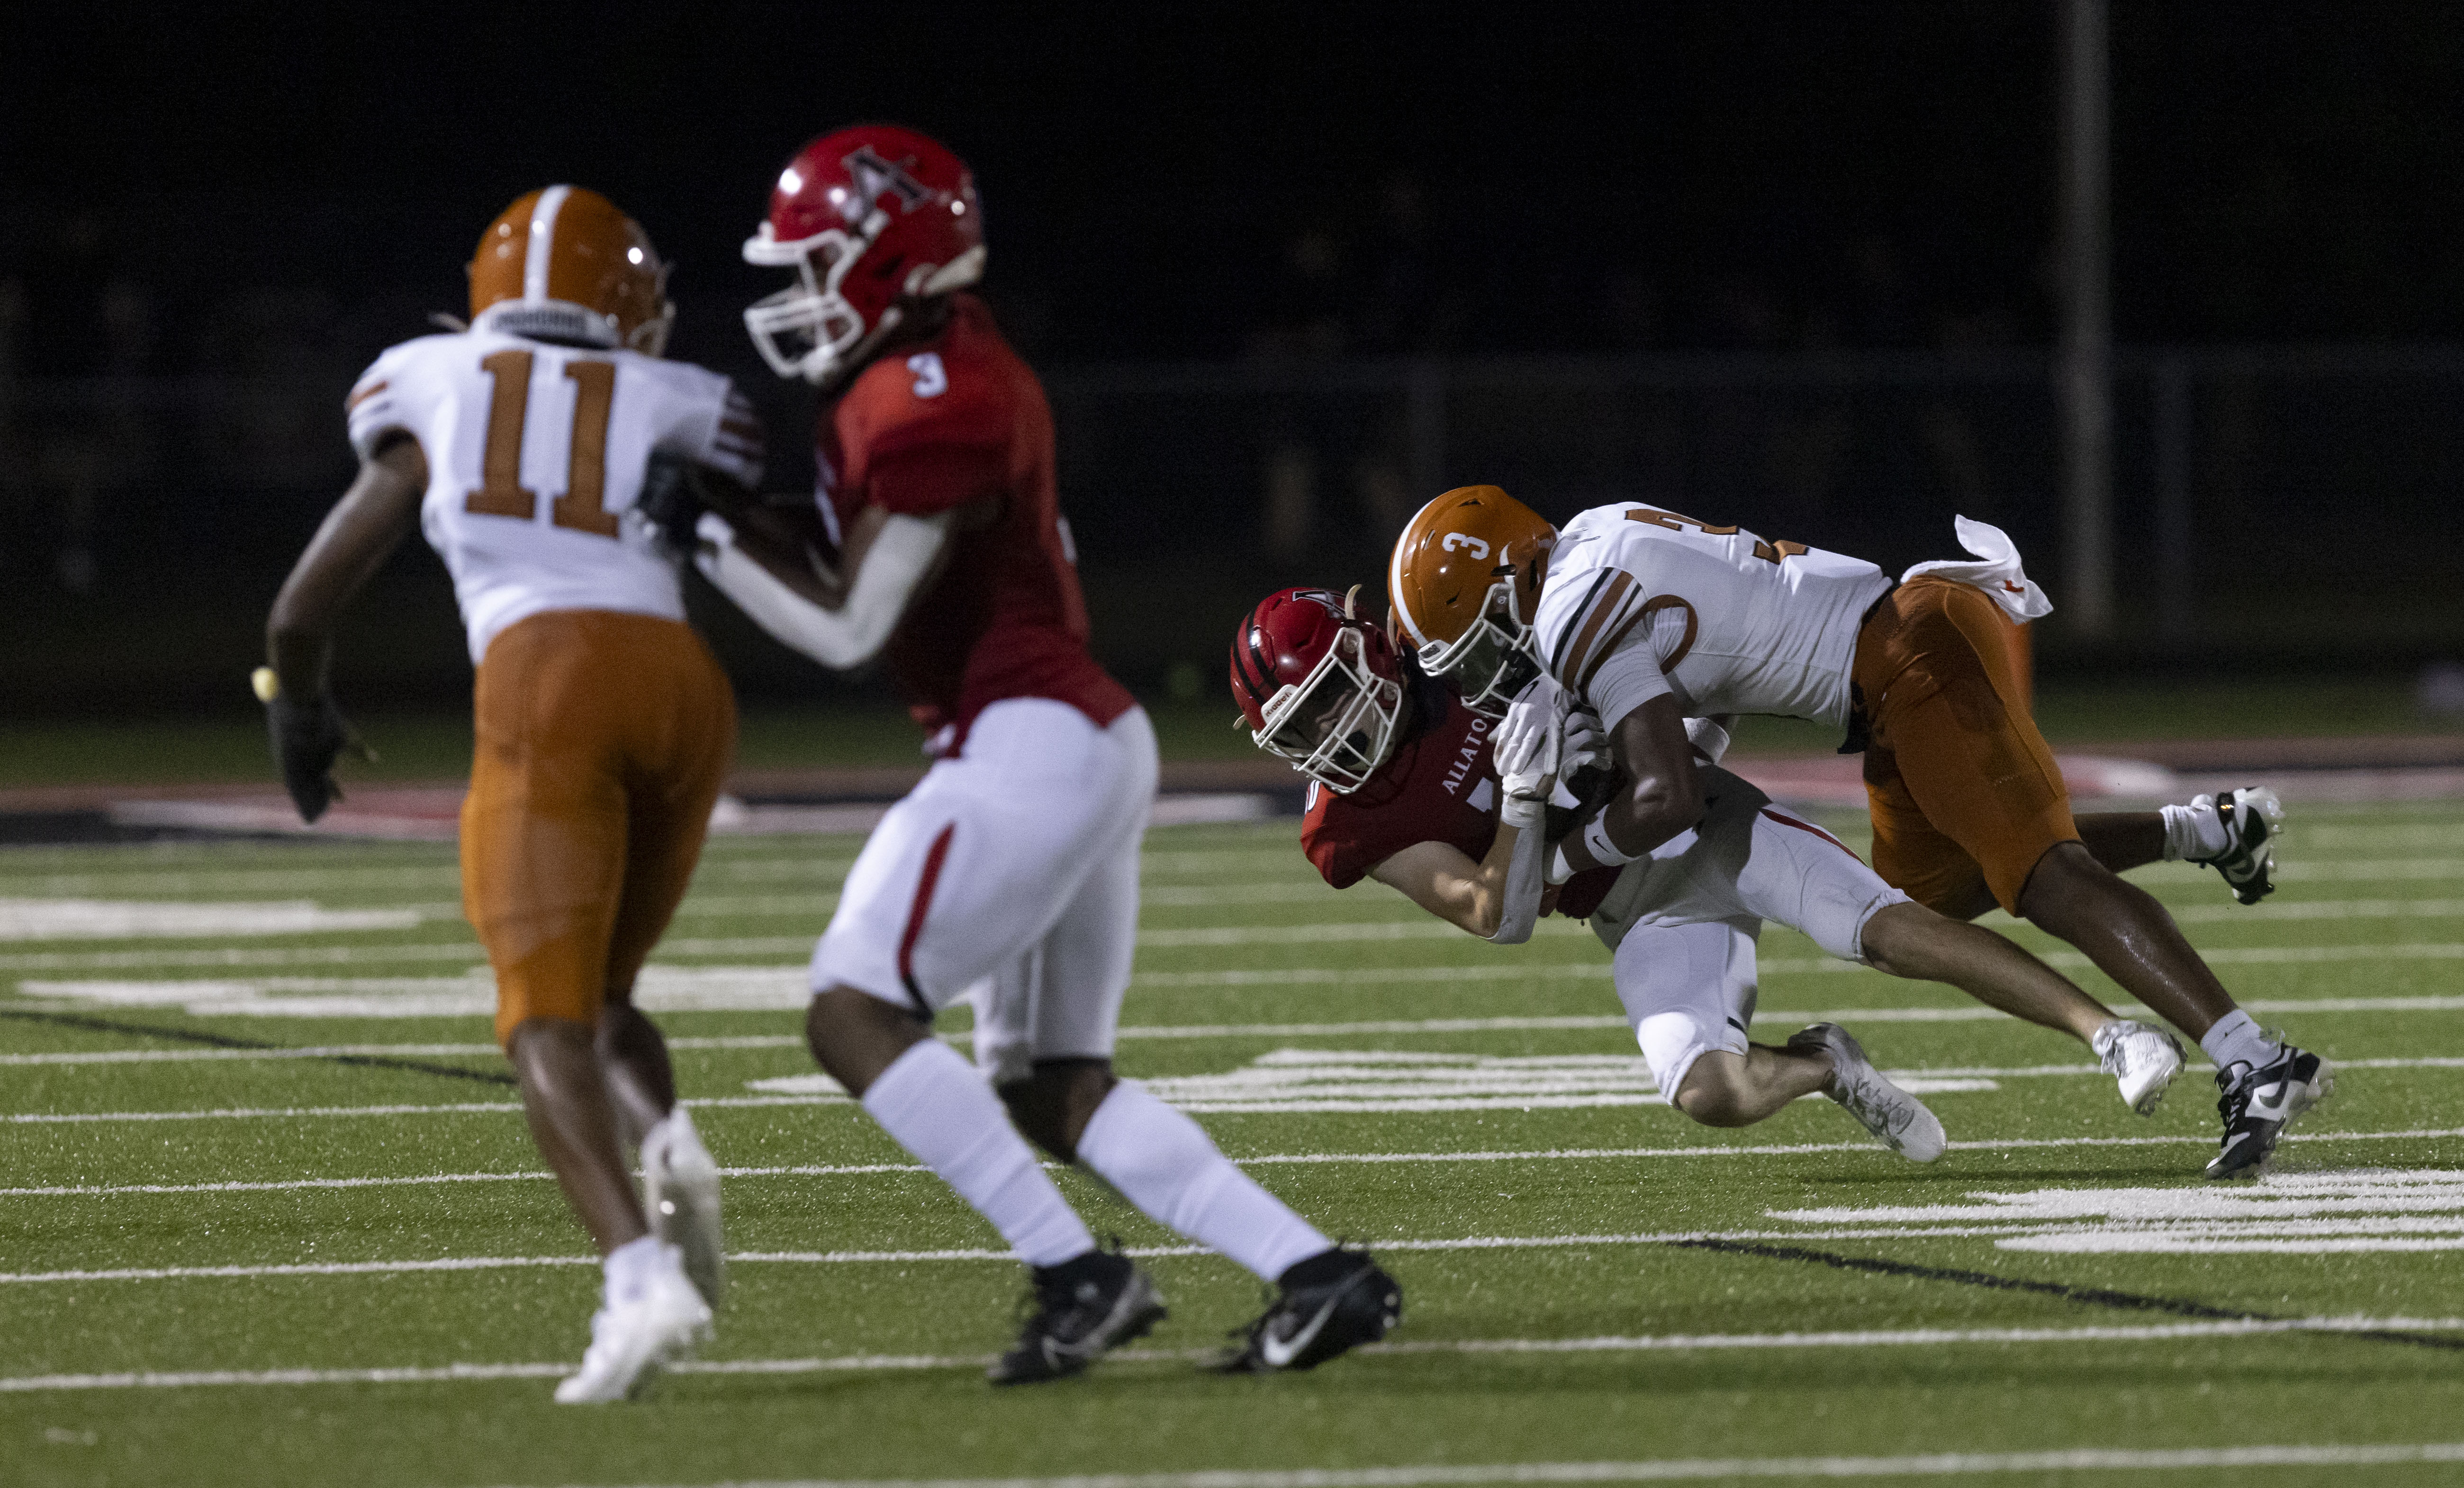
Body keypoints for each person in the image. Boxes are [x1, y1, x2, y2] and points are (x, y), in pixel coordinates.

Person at [679, 125, 1399, 1383]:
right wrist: (738, 510)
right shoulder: (923, 371)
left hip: (1026, 735)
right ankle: (1313, 1269)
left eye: (813, 261)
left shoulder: (934, 396)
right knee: (1047, 1080)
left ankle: (1080, 1272)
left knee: (853, 1009)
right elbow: (852, 563)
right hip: (1068, 737)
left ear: (887, 252)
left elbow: (849, 624)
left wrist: (692, 527)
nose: (794, 292)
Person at [1386, 489, 2323, 1179]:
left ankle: (2254, 1057)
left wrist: (1560, 856)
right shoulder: (1594, 538)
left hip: (1909, 655)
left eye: (1475, 641)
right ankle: (2202, 831)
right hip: (1892, 669)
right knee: (1944, 884)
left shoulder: (1570, 611)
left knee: (2038, 873)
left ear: (1510, 581)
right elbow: (1708, 696)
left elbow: (1669, 800)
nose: (1482, 673)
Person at [260, 187, 758, 1400]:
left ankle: (636, 1277)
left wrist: (299, 707)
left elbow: (303, 606)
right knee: (603, 996)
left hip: (546, 677)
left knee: (540, 1016)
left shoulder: (433, 379)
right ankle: (671, 1144)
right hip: (687, 686)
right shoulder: (678, 395)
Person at [1229, 586, 2184, 1157]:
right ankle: (1825, 1062)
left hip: (1700, 824)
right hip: (1628, 906)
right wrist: (1521, 799)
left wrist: (1636, 718)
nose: (1332, 733)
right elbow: (1494, 912)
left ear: (1371, 657)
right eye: (1303, 729)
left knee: (1889, 931)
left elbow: (1586, 639)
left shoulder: (1443, 646)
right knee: (1709, 1094)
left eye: (1330, 701)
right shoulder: (1345, 827)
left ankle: (2108, 1035)